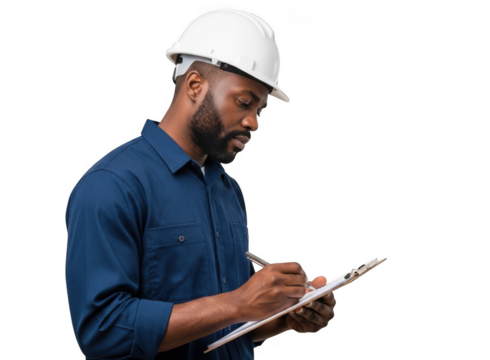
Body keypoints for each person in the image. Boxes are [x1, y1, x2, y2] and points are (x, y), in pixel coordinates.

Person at [65, 8, 336, 360]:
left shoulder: (227, 190)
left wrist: (284, 317)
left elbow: (220, 328)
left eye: (261, 110)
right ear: (195, 85)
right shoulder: (112, 186)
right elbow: (102, 330)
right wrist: (239, 303)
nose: (254, 123)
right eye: (244, 102)